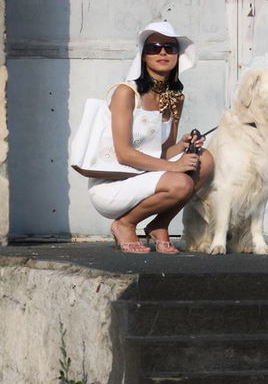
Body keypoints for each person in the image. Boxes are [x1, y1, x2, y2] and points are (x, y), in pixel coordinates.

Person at [87, 21, 214, 253]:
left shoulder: (174, 98)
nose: (162, 52)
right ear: (143, 55)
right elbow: (124, 154)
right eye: (154, 48)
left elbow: (162, 152)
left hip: (146, 176)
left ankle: (159, 224)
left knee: (204, 159)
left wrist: (182, 146)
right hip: (114, 182)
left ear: (178, 55)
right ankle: (125, 224)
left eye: (169, 47)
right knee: (181, 182)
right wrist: (174, 167)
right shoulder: (126, 93)